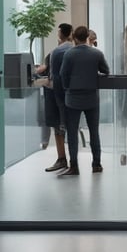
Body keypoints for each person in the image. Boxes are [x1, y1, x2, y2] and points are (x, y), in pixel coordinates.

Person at [59, 26, 110, 176]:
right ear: (88, 36)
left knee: (72, 132)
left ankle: (74, 165)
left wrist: (68, 88)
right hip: (91, 98)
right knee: (94, 132)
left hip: (73, 98)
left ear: (74, 37)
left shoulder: (69, 54)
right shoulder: (96, 53)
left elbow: (63, 75)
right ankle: (96, 164)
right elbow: (106, 71)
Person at [42, 23, 73, 173]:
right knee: (67, 127)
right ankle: (71, 162)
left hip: (57, 94)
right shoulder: (73, 50)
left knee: (58, 127)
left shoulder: (57, 52)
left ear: (60, 34)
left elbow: (53, 76)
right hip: (71, 94)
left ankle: (62, 159)